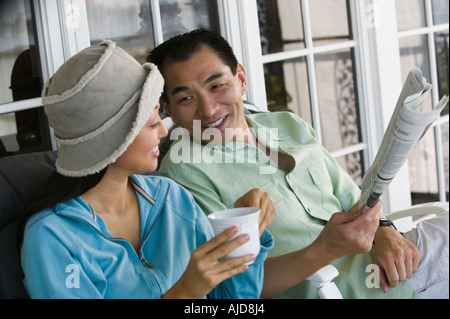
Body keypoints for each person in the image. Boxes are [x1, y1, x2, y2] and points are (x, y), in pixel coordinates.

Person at [147, 29, 449, 299]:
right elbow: (233, 287)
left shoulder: (286, 124)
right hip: (351, 289)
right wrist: (327, 249)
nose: (209, 109)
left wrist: (385, 233)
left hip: (388, 260)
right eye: (186, 98)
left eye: (216, 86)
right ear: (168, 109)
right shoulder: (183, 174)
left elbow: (355, 201)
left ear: (240, 79)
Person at [19, 40, 274, 299]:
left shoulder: (171, 197)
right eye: (152, 124)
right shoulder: (51, 237)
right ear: (113, 139)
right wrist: (184, 292)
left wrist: (245, 238)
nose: (164, 132)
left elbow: (234, 301)